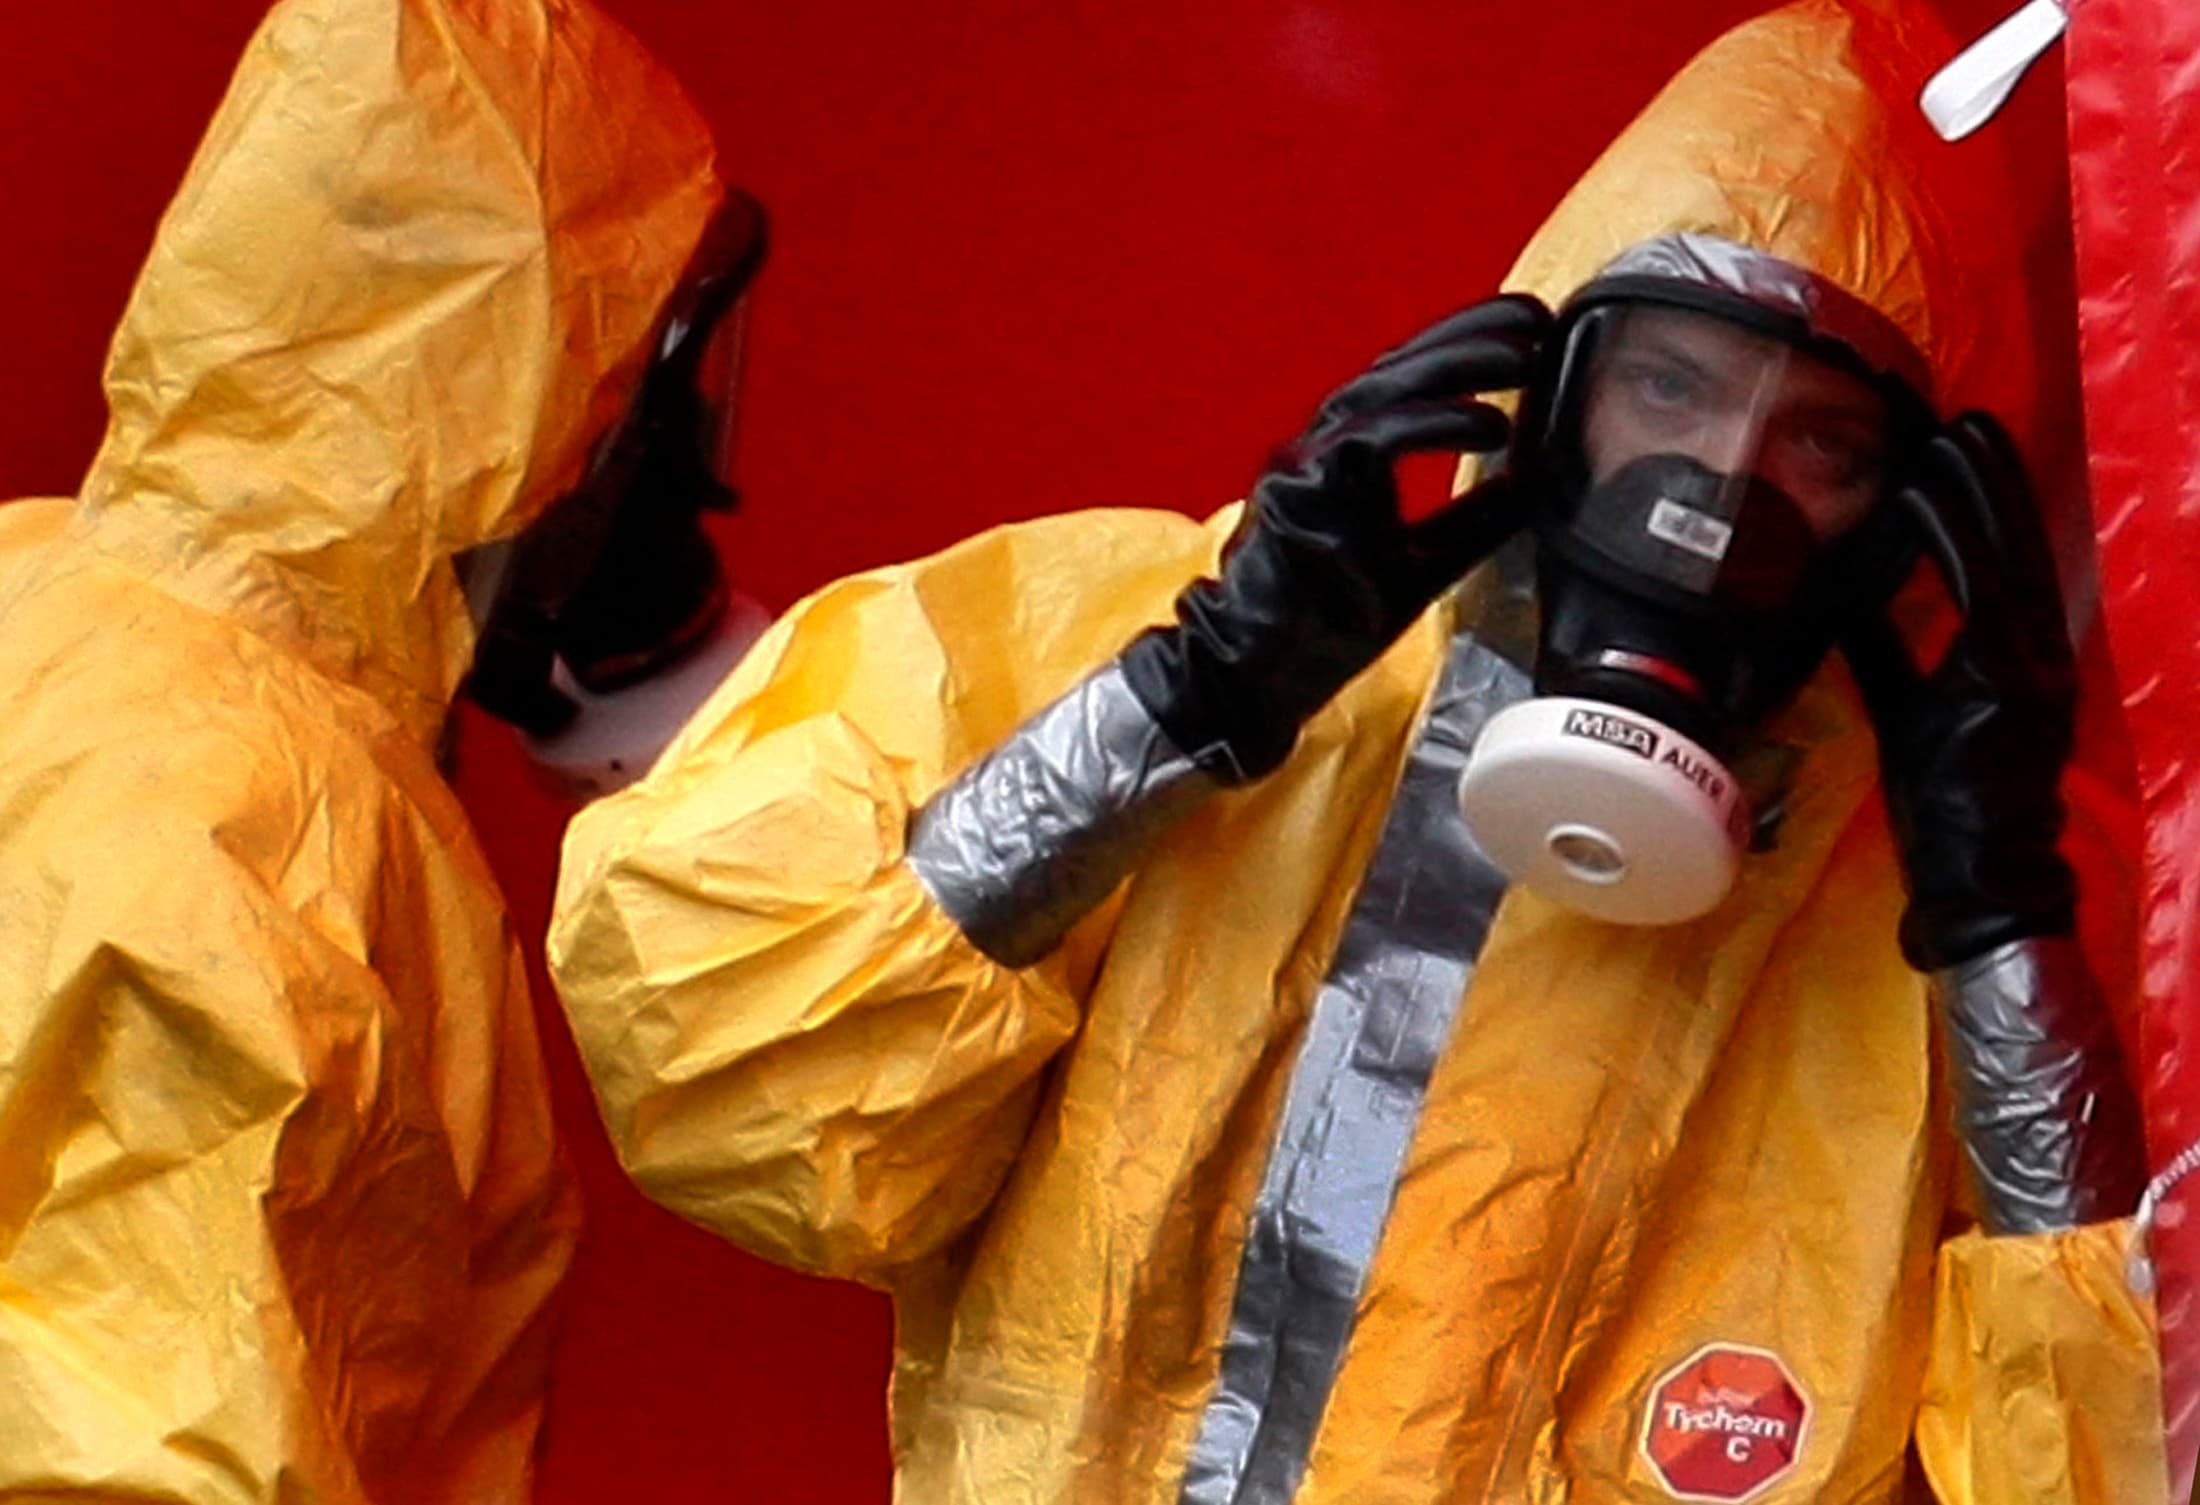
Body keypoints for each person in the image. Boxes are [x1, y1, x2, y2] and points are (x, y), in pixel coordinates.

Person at [548, 1, 2165, 1500]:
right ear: (1546, 389)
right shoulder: (1138, 635)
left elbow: (2101, 1462)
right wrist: (1185, 704)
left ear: (1913, 519)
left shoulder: (1950, 932)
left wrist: (1997, 917)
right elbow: (726, 1087)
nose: (1711, 489)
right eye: (1668, 385)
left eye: (1817, 442)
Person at [0, 0, 734, 1497]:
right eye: (623, 401)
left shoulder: (42, 592)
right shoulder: (270, 827)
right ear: (526, 404)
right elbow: (158, 1455)